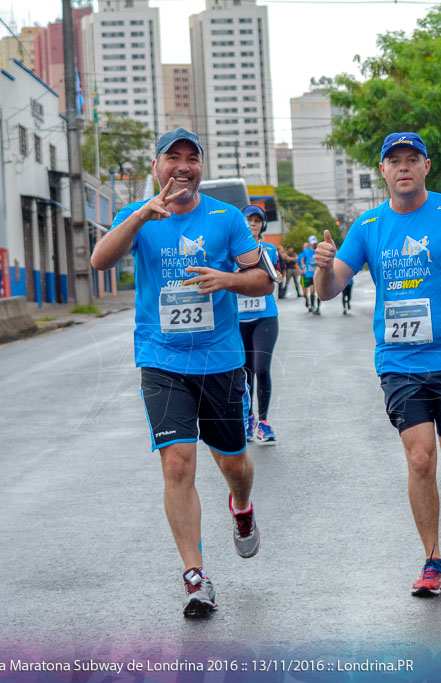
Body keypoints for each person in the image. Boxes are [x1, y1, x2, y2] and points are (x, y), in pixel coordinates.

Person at [314, 131, 441, 597]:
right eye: (395, 161)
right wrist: (323, 265)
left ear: (426, 166)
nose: (404, 167)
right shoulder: (368, 226)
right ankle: (432, 560)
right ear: (384, 171)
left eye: (413, 159)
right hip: (399, 361)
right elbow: (327, 290)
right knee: (419, 458)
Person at [89, 127, 277, 618]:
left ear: (201, 169)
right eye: (173, 158)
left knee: (232, 465)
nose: (183, 166)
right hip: (162, 360)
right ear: (157, 167)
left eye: (192, 158)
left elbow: (262, 279)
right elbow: (99, 259)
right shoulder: (139, 218)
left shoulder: (226, 217)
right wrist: (137, 219)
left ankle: (241, 508)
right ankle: (196, 576)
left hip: (220, 361)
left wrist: (228, 280)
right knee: (177, 464)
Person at [238, 205, 280, 444]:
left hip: (265, 317)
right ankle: (249, 418)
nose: (252, 223)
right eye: (248, 219)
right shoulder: (229, 251)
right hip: (238, 319)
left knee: (262, 369)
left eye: (257, 220)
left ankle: (263, 422)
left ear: (262, 225)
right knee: (244, 372)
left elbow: (276, 276)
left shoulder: (270, 250)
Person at [299, 235, 320, 315]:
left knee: (319, 292)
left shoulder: (319, 250)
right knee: (312, 290)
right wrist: (303, 265)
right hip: (310, 274)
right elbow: (302, 259)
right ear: (310, 243)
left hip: (318, 273)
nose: (314, 245)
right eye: (313, 243)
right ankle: (312, 306)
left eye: (315, 243)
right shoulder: (306, 251)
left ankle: (318, 307)